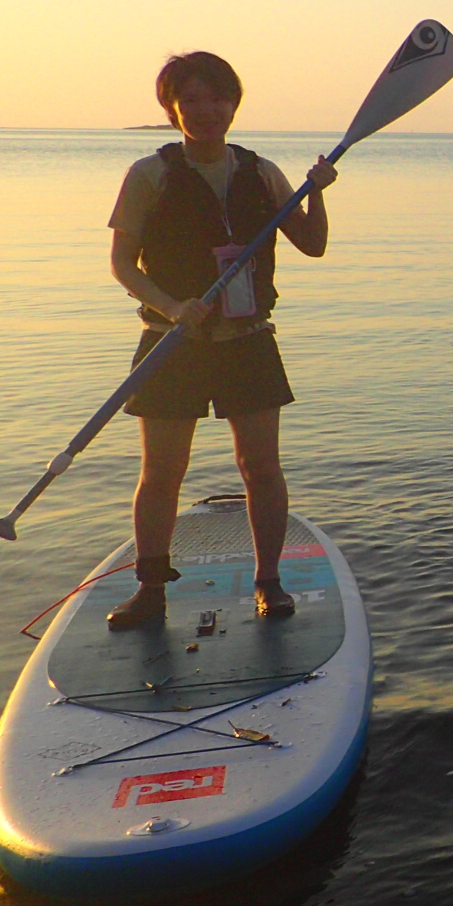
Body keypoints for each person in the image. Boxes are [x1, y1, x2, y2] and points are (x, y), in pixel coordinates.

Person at [102, 52, 338, 628]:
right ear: (172, 108)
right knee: (162, 473)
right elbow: (121, 265)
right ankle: (151, 590)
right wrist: (173, 305)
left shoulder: (260, 172)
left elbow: (312, 244)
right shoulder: (149, 174)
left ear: (233, 104)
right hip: (171, 342)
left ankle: (269, 582)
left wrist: (317, 191)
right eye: (192, 100)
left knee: (261, 468)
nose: (207, 111)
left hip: (247, 340)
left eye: (218, 99)